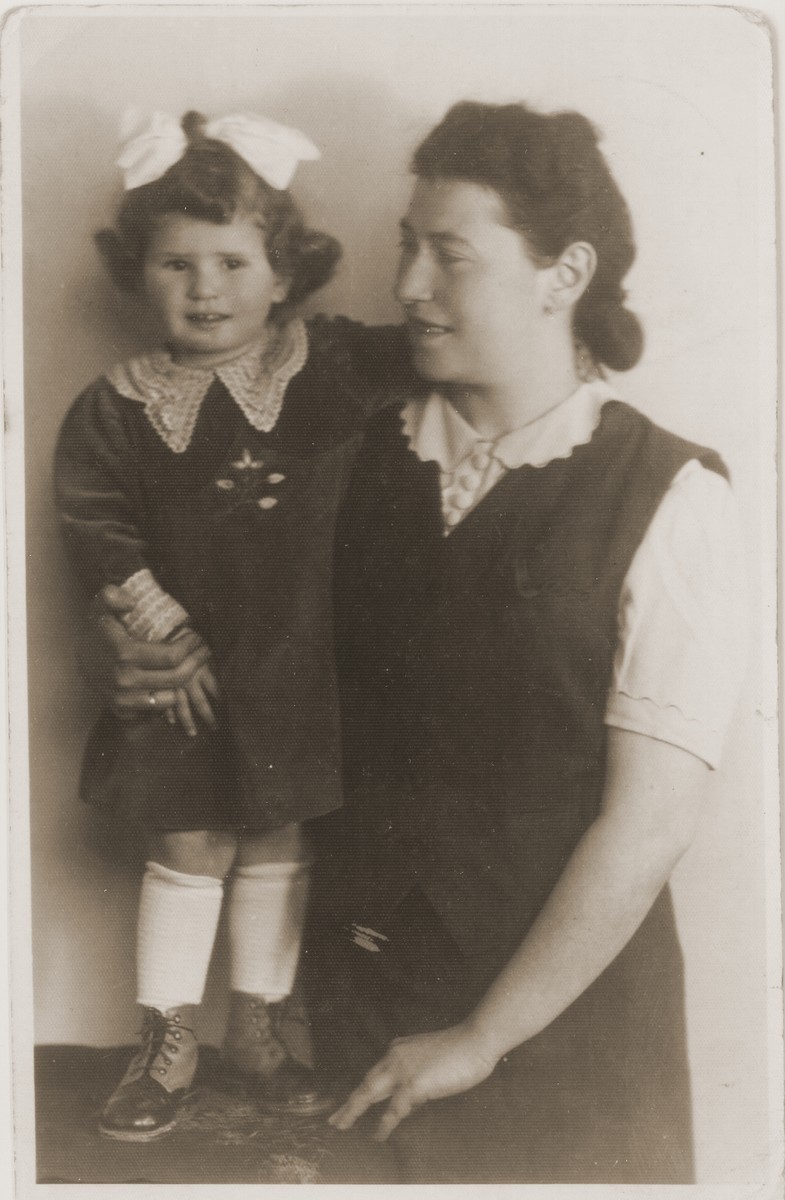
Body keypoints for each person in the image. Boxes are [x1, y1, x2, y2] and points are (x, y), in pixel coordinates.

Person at [81, 100, 746, 1182]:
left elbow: (648, 824)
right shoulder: (329, 436)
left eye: (449, 254)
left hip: (562, 1049)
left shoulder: (668, 496)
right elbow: (230, 623)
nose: (406, 287)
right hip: (339, 1026)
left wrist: (482, 1040)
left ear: (562, 272)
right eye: (404, 247)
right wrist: (145, 652)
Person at [54, 108, 412, 1142]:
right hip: (187, 675)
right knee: (191, 842)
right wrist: (162, 631)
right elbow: (96, 526)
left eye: (230, 260)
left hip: (299, 670)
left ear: (284, 271)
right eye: (175, 264)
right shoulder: (114, 407)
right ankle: (164, 1044)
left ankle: (256, 1030)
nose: (204, 288)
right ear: (137, 273)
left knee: (278, 841)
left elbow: (428, 355)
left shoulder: (325, 368)